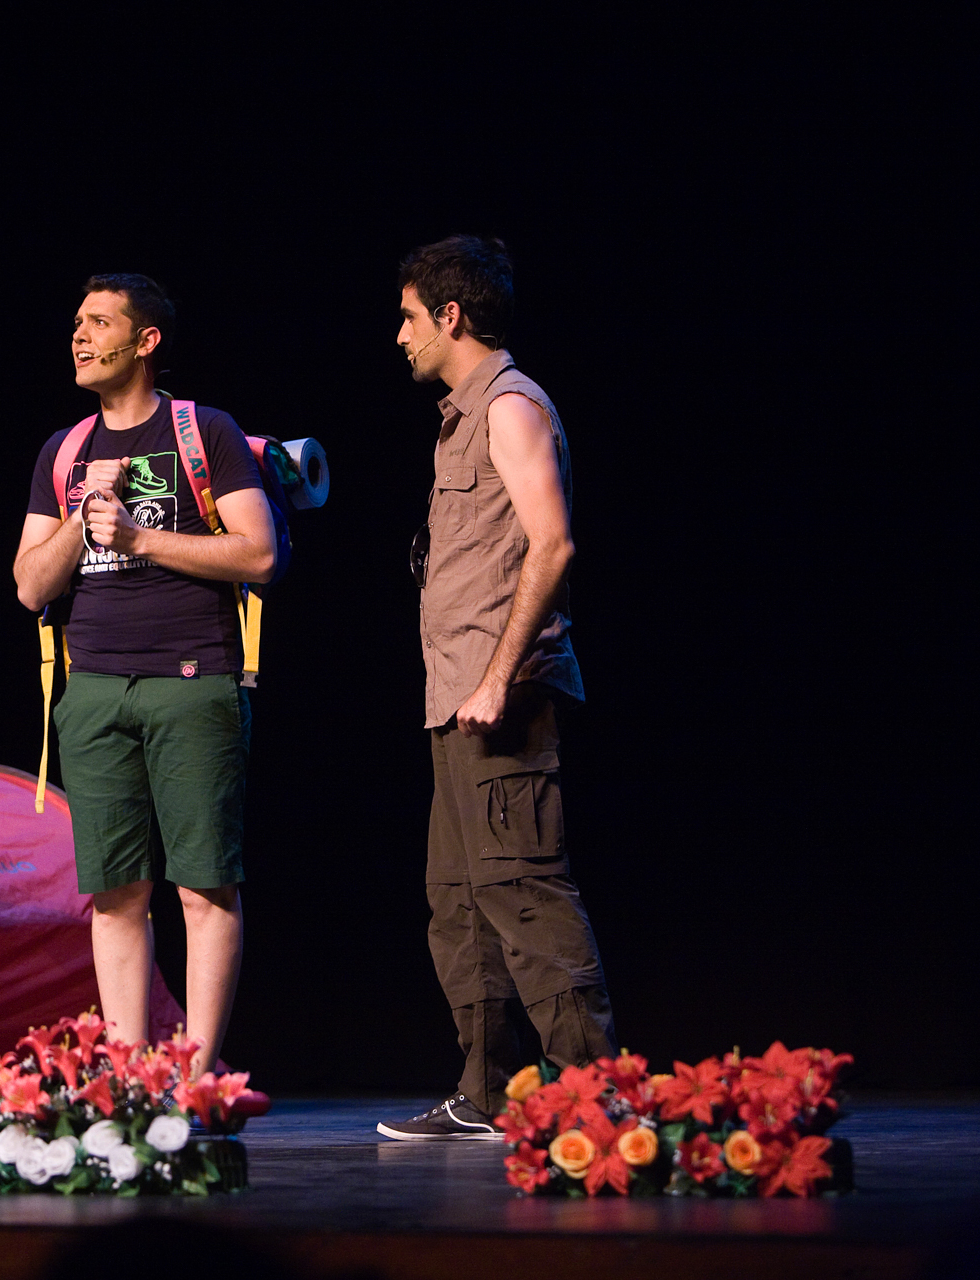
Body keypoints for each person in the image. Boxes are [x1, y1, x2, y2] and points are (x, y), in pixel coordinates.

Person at [376, 237, 617, 1141]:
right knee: (459, 902)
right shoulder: (459, 419)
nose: (400, 335)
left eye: (409, 317)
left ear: (451, 316)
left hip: (499, 697)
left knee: (524, 893)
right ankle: (490, 1094)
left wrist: (497, 677)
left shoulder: (510, 407)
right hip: (455, 700)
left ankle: (596, 1099)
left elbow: (551, 544)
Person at [13, 274, 274, 1078]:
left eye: (99, 322)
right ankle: (130, 1079)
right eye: (77, 322)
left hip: (192, 680)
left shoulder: (206, 431)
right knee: (117, 894)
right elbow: (29, 585)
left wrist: (137, 537)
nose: (79, 336)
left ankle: (195, 1079)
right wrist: (83, 513)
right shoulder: (64, 452)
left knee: (203, 887)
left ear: (146, 341)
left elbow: (261, 554)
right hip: (91, 689)